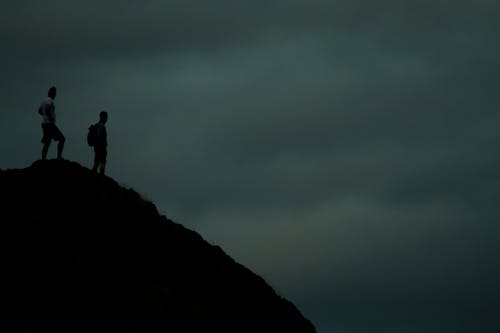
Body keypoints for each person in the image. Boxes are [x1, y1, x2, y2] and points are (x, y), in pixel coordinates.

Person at [40, 86, 65, 160]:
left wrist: (44, 116)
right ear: (52, 93)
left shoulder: (44, 100)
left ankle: (43, 159)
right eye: (55, 93)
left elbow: (39, 110)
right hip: (49, 124)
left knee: (47, 142)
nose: (55, 95)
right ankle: (59, 156)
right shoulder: (49, 101)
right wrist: (50, 118)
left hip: (45, 124)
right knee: (62, 139)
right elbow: (47, 109)